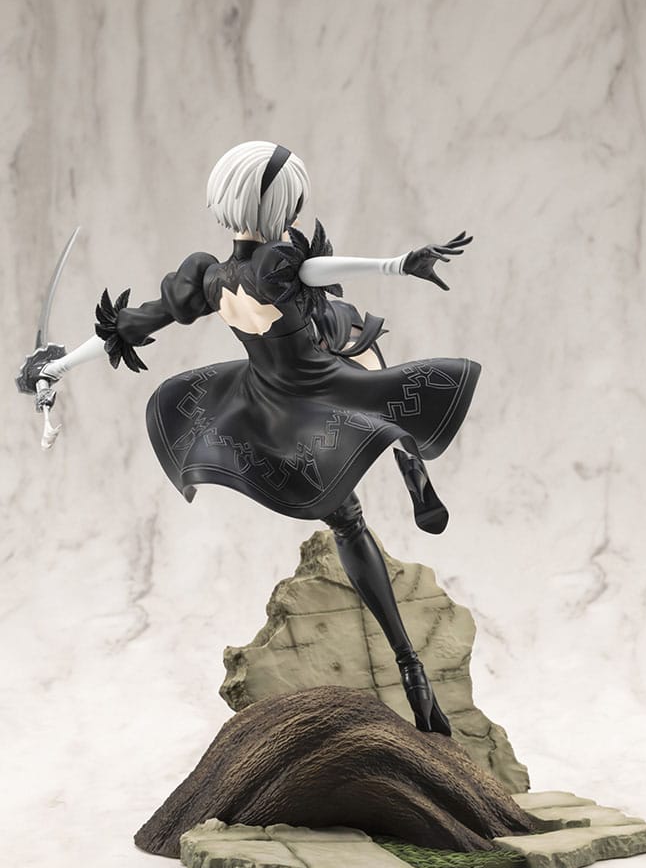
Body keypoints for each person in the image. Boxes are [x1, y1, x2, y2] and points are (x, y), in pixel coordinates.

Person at [39, 140, 481, 737]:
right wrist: (398, 264)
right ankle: (414, 477)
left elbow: (130, 326)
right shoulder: (278, 262)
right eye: (293, 200)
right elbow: (313, 271)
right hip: (311, 394)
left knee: (354, 372)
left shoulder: (205, 277)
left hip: (273, 396)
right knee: (376, 375)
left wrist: (58, 366)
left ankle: (410, 660)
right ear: (282, 206)